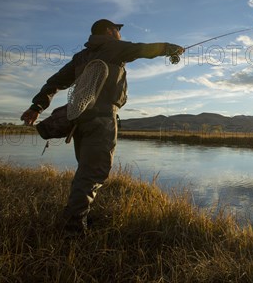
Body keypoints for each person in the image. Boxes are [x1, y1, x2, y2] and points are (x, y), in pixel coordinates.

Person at [20, 19, 184, 234]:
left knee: (85, 171)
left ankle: (78, 216)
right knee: (93, 173)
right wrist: (171, 48)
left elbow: (56, 81)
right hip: (102, 118)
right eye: (118, 29)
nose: (119, 33)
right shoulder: (114, 47)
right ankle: (73, 228)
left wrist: (37, 106)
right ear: (109, 31)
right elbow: (142, 49)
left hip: (79, 120)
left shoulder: (81, 57)